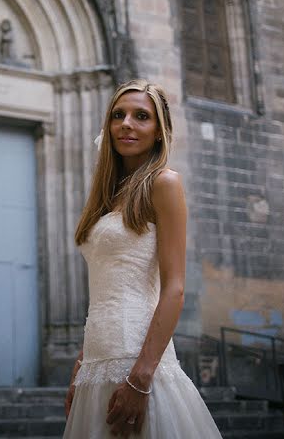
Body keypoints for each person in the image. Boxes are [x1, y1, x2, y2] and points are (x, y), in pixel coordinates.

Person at [63, 80, 222, 438]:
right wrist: (79, 368)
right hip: (96, 362)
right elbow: (103, 295)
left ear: (159, 131)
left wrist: (141, 377)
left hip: (139, 359)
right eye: (118, 115)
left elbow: (175, 289)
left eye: (141, 116)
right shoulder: (106, 198)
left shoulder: (164, 183)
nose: (127, 124)